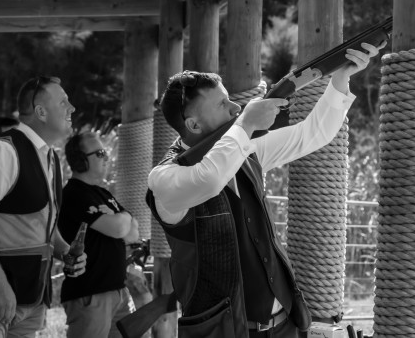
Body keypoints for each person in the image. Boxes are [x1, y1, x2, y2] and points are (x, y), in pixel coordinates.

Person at [147, 42, 383, 338]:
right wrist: (246, 124)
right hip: (226, 332)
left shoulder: (244, 150)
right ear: (193, 125)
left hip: (284, 325)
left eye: (229, 99)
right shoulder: (164, 178)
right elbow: (209, 179)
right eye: (222, 104)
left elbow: (312, 134)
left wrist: (340, 79)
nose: (236, 108)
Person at [0, 76, 86, 338]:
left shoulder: (50, 156)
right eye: (63, 102)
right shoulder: (3, 151)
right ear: (41, 112)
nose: (72, 108)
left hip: (30, 303)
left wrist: (65, 251)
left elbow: (41, 222)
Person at [58, 131, 139, 338]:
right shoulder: (74, 194)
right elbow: (120, 229)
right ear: (81, 160)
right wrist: (124, 217)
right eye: (100, 153)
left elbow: (133, 233)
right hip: (91, 293)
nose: (107, 157)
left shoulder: (103, 193)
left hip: (117, 291)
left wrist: (122, 220)